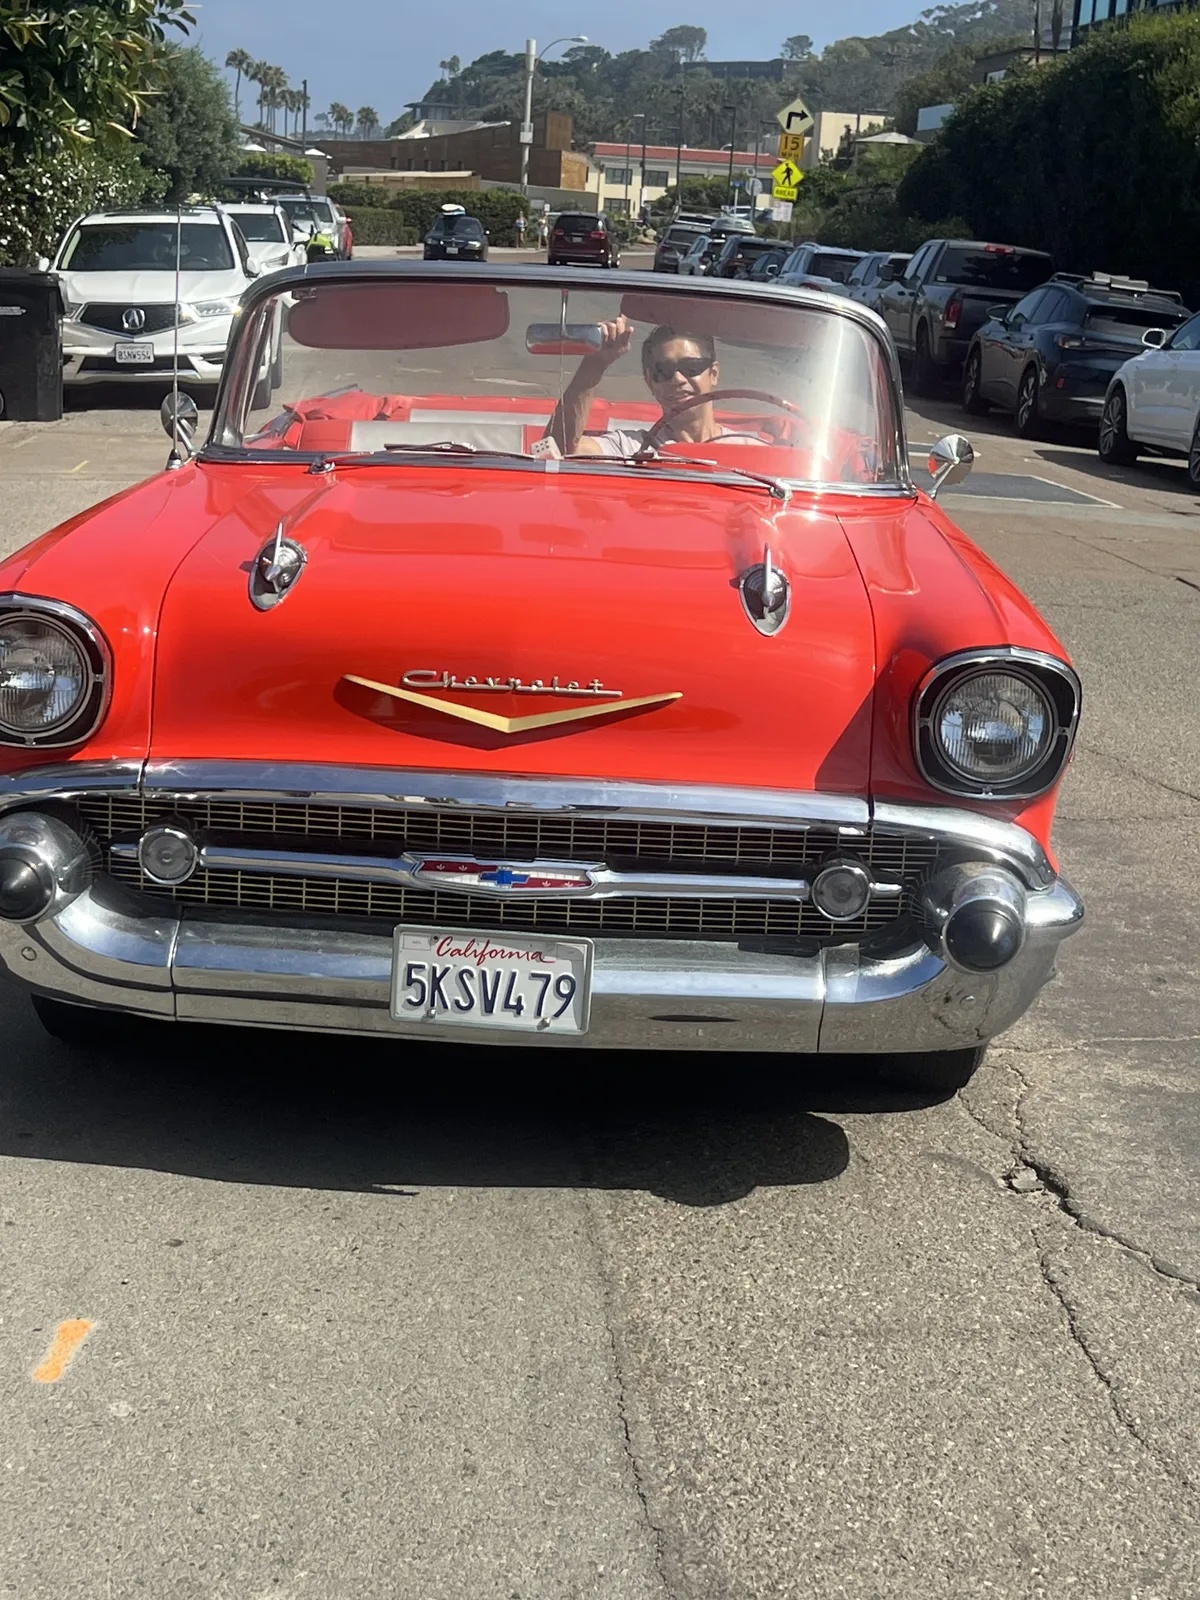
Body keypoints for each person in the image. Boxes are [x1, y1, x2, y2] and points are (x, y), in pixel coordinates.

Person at [545, 316, 767, 457]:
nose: (678, 379)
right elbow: (558, 450)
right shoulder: (630, 448)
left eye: (691, 367)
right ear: (651, 381)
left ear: (714, 374)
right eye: (664, 370)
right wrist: (594, 364)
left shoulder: (750, 450)